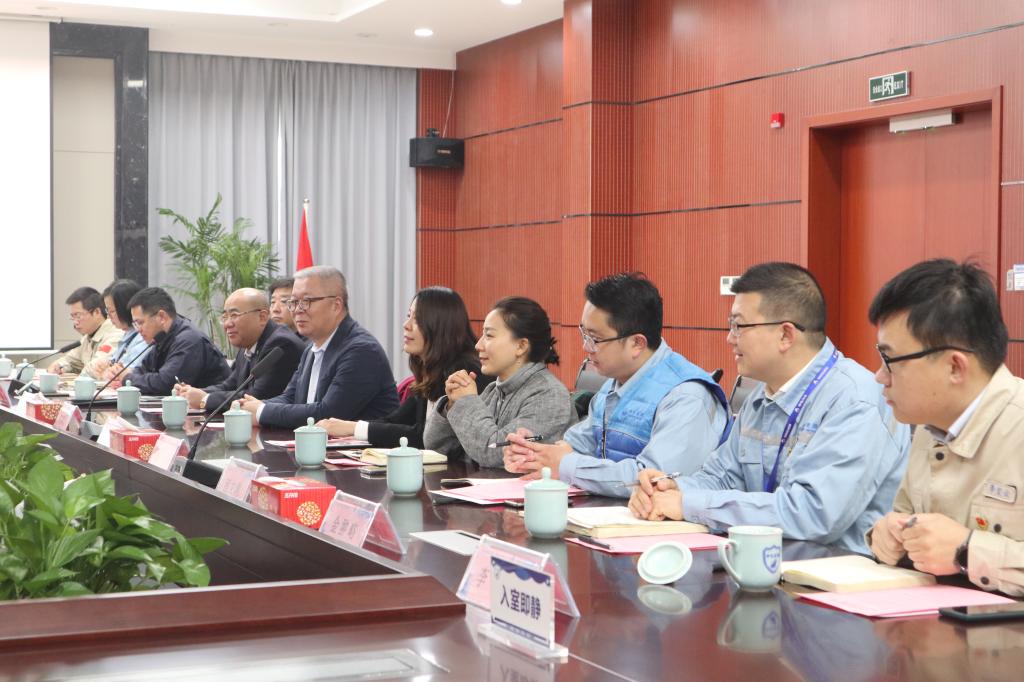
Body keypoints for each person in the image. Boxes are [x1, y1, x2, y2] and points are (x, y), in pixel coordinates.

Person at [628, 262, 910, 554]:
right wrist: (670, 490)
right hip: (769, 561)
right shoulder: (761, 397)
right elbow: (722, 476)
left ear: (786, 335)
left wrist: (689, 503)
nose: (729, 338)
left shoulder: (854, 400)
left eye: (739, 326)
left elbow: (812, 514)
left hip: (838, 571)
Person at [867, 259, 1024, 595]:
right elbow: (906, 517)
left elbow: (956, 549)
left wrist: (966, 551)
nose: (880, 376)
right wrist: (888, 537)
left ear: (955, 367)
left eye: (890, 360)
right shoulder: (930, 426)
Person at [503, 273, 730, 496]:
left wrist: (565, 465)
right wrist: (534, 454)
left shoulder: (686, 396)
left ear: (637, 343)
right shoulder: (616, 383)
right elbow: (578, 446)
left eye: (595, 339)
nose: (586, 347)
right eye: (584, 334)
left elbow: (655, 479)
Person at [317, 286, 491, 447]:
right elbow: (396, 421)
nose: (406, 325)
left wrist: (353, 428)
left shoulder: (465, 371)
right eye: (409, 316)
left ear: (440, 326)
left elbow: (422, 436)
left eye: (417, 320)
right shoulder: (431, 368)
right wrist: (347, 426)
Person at [239, 266, 399, 428]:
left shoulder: (362, 350)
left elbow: (328, 414)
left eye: (306, 301)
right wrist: (248, 406)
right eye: (293, 302)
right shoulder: (311, 348)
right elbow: (291, 397)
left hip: (363, 445)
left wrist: (261, 411)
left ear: (336, 305)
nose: (297, 310)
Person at [423, 296, 574, 466]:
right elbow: (437, 448)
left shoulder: (550, 396)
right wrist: (451, 406)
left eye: (489, 335)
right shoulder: (493, 390)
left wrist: (466, 402)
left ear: (521, 346)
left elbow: (494, 453)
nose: (478, 345)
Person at [174, 288, 305, 414]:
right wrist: (191, 392)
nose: (227, 324)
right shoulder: (247, 341)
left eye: (234, 315)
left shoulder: (281, 344)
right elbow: (229, 386)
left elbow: (256, 397)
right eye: (225, 316)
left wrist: (205, 399)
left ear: (262, 317)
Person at [118, 287, 230, 395]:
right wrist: (129, 377)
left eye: (140, 323)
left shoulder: (189, 340)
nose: (138, 330)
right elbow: (142, 370)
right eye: (135, 324)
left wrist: (128, 379)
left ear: (161, 317)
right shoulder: (162, 338)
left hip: (215, 407)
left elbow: (166, 384)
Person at [49, 286, 124, 379]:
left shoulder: (115, 333)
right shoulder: (87, 338)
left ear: (97, 312)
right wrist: (58, 366)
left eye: (78, 316)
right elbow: (70, 360)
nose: (75, 322)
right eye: (73, 317)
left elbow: (95, 368)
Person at [92, 279, 151, 381]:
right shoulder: (128, 333)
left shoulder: (144, 337)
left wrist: (108, 372)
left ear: (126, 308)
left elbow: (126, 374)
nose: (108, 316)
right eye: (107, 311)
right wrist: (105, 366)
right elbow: (113, 366)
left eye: (112, 311)